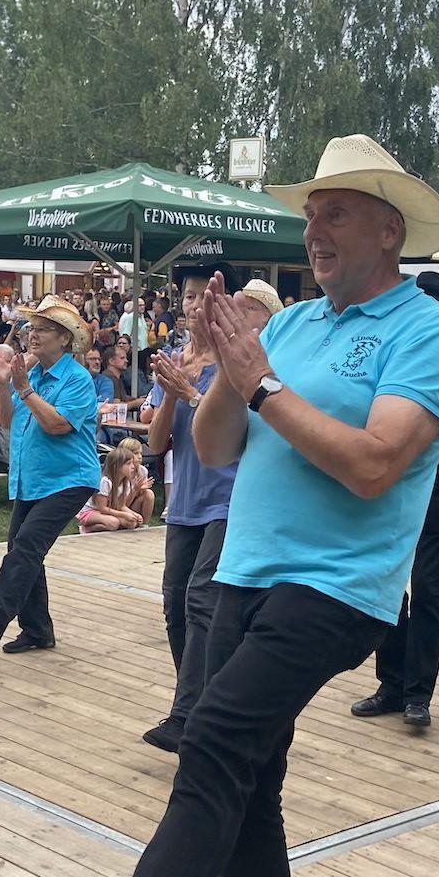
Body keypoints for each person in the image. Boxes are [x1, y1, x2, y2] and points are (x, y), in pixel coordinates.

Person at [0, 133, 439, 877]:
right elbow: (216, 450)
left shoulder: (430, 332)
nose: (314, 228)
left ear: (389, 227)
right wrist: (223, 369)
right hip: (245, 572)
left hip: (336, 587)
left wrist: (262, 385)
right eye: (311, 212)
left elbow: (376, 466)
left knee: (212, 742)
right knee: (248, 792)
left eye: (335, 211)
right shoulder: (288, 325)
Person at [351, 273, 439, 728]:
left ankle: (418, 694)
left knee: (431, 590)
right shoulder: (393, 354)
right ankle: (391, 685)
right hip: (401, 482)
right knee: (390, 586)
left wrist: (399, 435)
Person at [139, 262, 266, 752]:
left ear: (225, 303)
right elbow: (156, 441)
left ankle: (185, 713)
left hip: (229, 497)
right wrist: (171, 394)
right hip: (185, 501)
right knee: (175, 604)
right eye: (187, 297)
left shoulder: (239, 362)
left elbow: (249, 430)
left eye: (201, 297)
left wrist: (190, 392)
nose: (193, 307)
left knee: (200, 599)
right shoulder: (175, 359)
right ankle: (200, 701)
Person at [0, 297, 100, 653]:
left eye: (42, 329)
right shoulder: (31, 373)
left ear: (65, 338)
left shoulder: (77, 378)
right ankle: (37, 630)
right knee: (22, 550)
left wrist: (23, 388)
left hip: (70, 477)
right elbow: (7, 420)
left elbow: (57, 424)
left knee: (27, 545)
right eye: (30, 328)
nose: (31, 335)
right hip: (34, 478)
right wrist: (5, 384)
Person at [78, 436, 155, 532]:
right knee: (114, 523)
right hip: (93, 511)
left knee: (131, 523)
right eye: (128, 464)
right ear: (117, 466)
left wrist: (133, 514)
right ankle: (87, 529)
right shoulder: (106, 482)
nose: (132, 467)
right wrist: (124, 514)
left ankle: (135, 524)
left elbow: (122, 505)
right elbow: (102, 508)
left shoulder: (125, 481)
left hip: (111, 510)